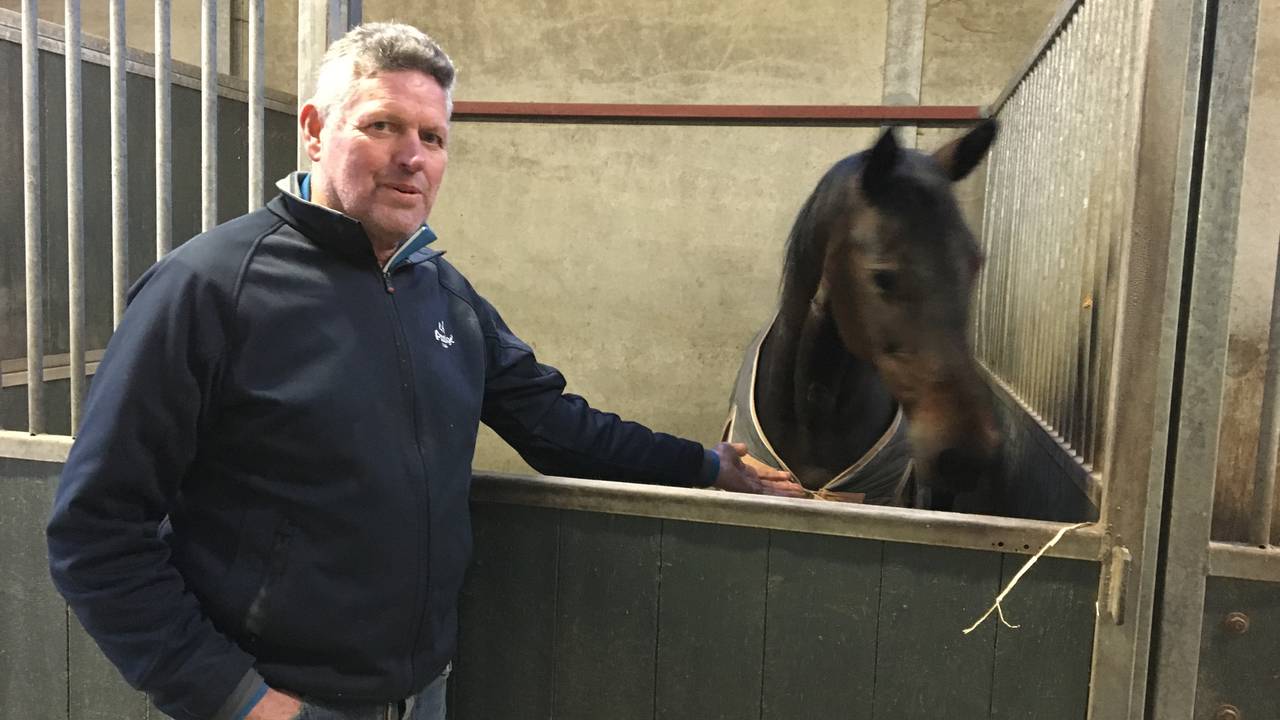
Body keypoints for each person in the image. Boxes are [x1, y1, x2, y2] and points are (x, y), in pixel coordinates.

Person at [46, 21, 803, 720]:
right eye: (382, 126)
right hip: (285, 702)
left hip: (422, 696)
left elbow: (559, 428)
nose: (414, 156)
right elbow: (95, 530)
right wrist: (233, 697)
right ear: (314, 131)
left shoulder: (444, 294)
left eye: (433, 137)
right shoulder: (208, 288)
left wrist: (706, 467)